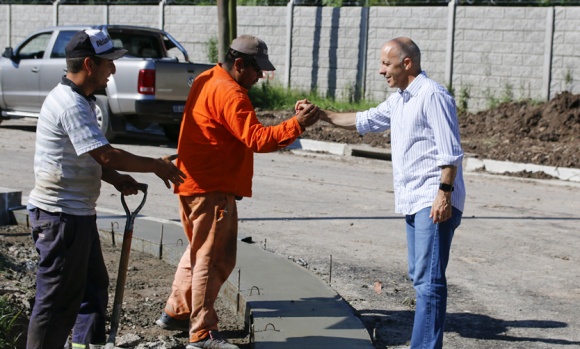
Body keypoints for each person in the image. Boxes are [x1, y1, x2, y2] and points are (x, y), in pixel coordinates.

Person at [155, 34, 320, 349]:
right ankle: (202, 333)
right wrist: (297, 124)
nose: (260, 77)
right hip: (211, 189)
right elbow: (257, 139)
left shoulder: (208, 78)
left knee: (199, 252)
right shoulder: (231, 93)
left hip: (192, 184)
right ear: (240, 63)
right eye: (257, 70)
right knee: (214, 259)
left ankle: (175, 312)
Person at [26, 29, 186, 349]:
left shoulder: (81, 101)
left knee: (92, 289)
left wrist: (114, 178)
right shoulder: (70, 104)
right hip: (59, 217)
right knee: (56, 302)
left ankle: (88, 345)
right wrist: (155, 164)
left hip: (76, 214)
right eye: (108, 63)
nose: (113, 70)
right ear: (89, 64)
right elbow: (106, 153)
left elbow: (88, 157)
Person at [313, 37, 466, 349]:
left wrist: (444, 194)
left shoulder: (432, 95)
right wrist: (321, 114)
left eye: (386, 64)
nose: (381, 71)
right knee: (420, 276)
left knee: (428, 281)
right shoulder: (401, 99)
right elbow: (362, 120)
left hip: (433, 198)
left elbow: (451, 152)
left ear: (406, 63)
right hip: (415, 200)